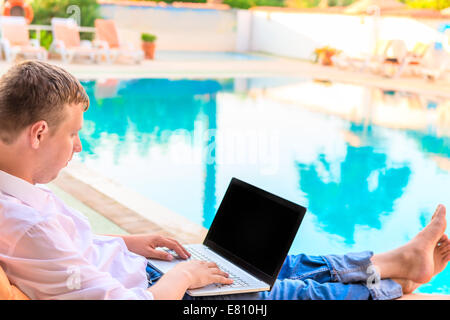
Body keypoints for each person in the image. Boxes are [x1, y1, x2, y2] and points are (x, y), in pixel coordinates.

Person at [0, 60, 449, 300]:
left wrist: (127, 242)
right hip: (160, 290)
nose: (79, 147)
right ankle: (392, 282)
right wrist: (185, 278)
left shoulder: (17, 196)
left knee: (267, 265)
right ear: (39, 133)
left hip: (144, 269)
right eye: (74, 134)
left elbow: (67, 247)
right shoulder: (26, 223)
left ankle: (394, 266)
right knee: (284, 291)